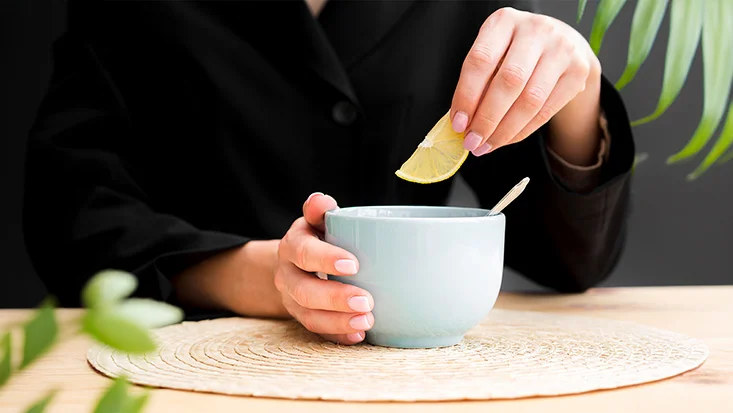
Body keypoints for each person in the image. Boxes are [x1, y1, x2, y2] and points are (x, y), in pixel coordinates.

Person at [23, 0, 634, 345]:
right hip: (195, 354)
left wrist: (575, 93)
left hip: (421, 384)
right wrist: (256, 277)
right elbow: (70, 215)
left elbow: (572, 260)